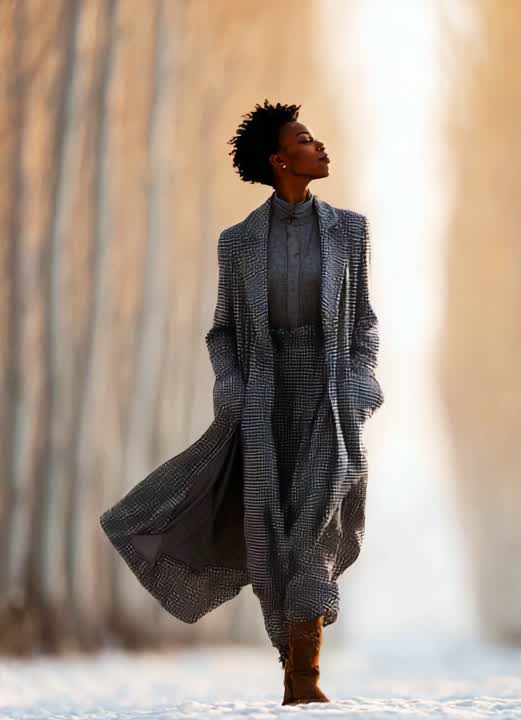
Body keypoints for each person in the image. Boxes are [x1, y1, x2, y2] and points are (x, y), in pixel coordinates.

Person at [213, 100, 384, 704]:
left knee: (315, 526)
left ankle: (306, 679)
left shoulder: (351, 230)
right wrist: (231, 389)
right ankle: (290, 656)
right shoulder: (237, 243)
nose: (321, 146)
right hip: (264, 397)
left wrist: (360, 384)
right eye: (306, 140)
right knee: (271, 536)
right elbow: (222, 332)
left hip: (330, 392)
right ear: (279, 160)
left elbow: (364, 322)